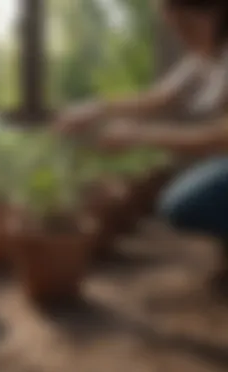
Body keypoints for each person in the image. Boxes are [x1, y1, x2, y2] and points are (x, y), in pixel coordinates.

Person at [56, 0, 228, 295]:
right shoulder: (204, 56)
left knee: (188, 203)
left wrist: (141, 135)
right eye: (174, 26)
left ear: (217, 11)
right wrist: (95, 108)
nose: (180, 35)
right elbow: (158, 98)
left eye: (184, 25)